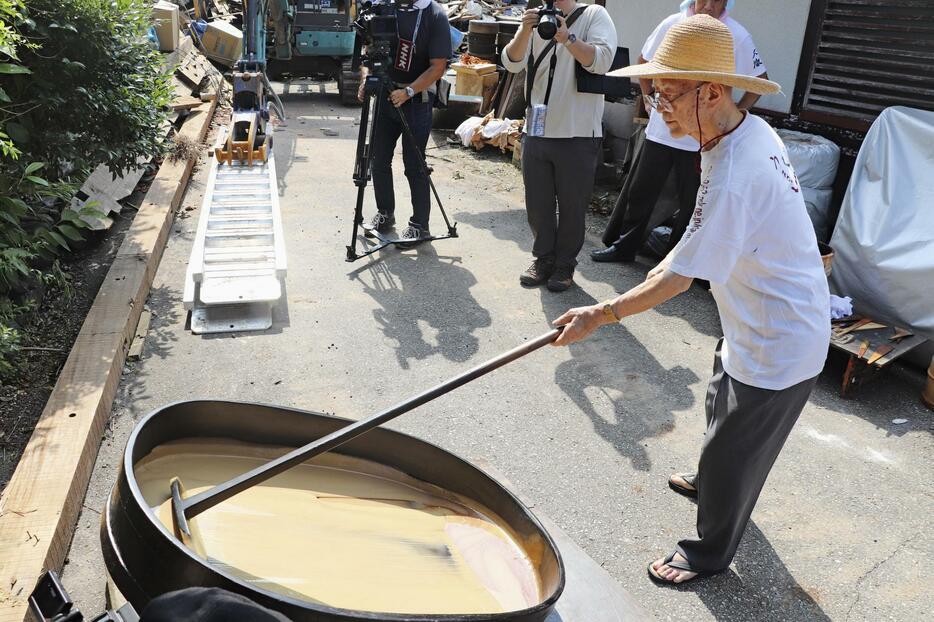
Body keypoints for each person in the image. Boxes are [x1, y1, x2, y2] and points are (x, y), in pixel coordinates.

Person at [552, 15, 830, 585]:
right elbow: (693, 245)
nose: (658, 108)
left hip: (782, 340)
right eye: (652, 94)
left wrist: (599, 314)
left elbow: (680, 277)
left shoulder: (740, 169)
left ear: (711, 91)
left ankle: (708, 551)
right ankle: (713, 478)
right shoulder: (738, 130)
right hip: (751, 315)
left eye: (668, 94)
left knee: (735, 449)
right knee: (719, 393)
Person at [591, 0, 770, 264]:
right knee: (641, 191)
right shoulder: (673, 24)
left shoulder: (735, 34)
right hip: (662, 131)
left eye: (716, 0)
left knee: (694, 203)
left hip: (703, 137)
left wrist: (732, 118)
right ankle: (624, 246)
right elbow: (645, 61)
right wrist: (648, 97)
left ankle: (677, 260)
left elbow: (759, 81)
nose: (708, 6)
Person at [502, 0, 617, 291]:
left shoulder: (594, 15)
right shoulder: (536, 18)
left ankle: (564, 265)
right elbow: (511, 62)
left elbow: (602, 61)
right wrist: (525, 31)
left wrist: (567, 38)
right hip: (537, 130)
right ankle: (543, 259)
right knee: (537, 203)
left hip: (578, 133)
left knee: (572, 206)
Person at [359, 0, 451, 248]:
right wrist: (366, 80)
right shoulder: (385, 7)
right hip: (386, 95)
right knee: (378, 159)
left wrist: (409, 91)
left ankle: (420, 225)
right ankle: (385, 213)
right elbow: (370, 51)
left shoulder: (434, 14)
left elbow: (438, 66)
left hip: (416, 99)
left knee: (414, 164)